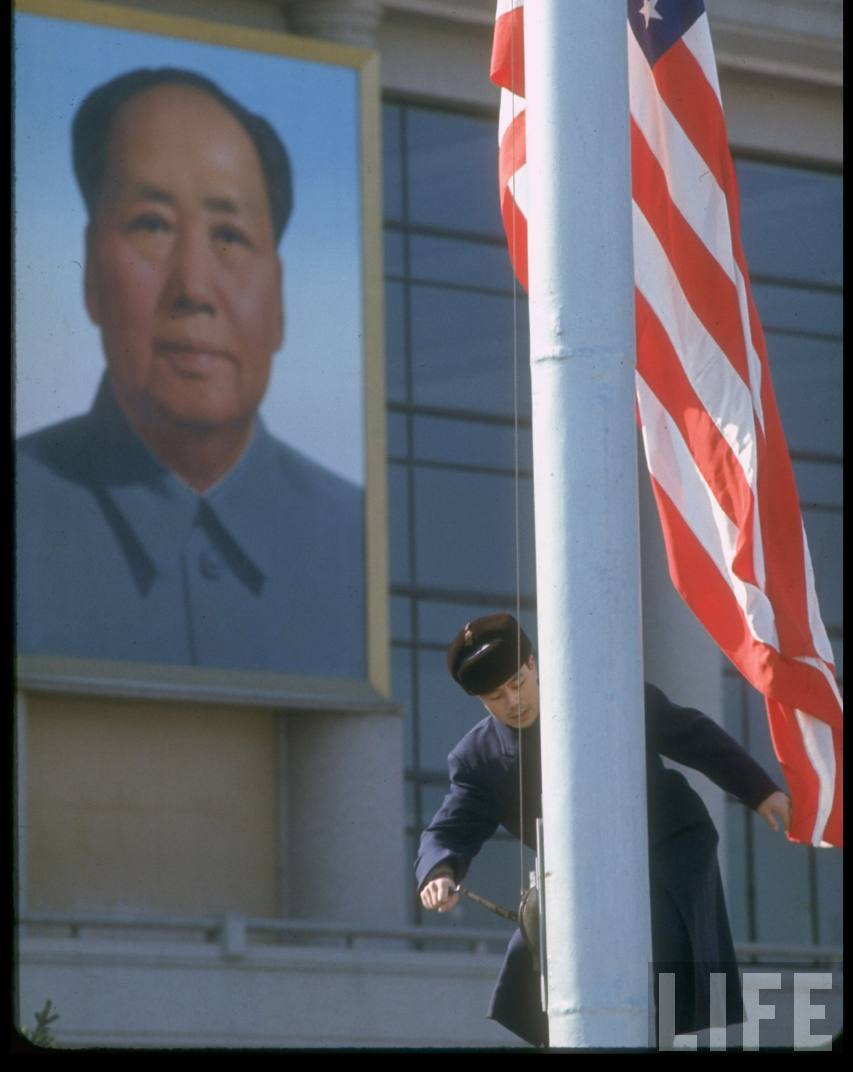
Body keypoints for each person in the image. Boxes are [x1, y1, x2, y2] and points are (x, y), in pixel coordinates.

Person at [15, 68, 364, 675]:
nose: (194, 289)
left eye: (230, 235)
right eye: (152, 225)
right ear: (91, 270)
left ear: (279, 301)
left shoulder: (359, 541)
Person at [416, 613, 792, 1048]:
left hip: (665, 848)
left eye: (518, 683)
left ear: (533, 663)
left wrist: (759, 790)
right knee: (534, 953)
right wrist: (439, 871)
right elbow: (450, 827)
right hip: (578, 872)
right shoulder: (476, 759)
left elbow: (692, 734)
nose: (513, 702)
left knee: (658, 949)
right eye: (496, 697)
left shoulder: (605, 692)